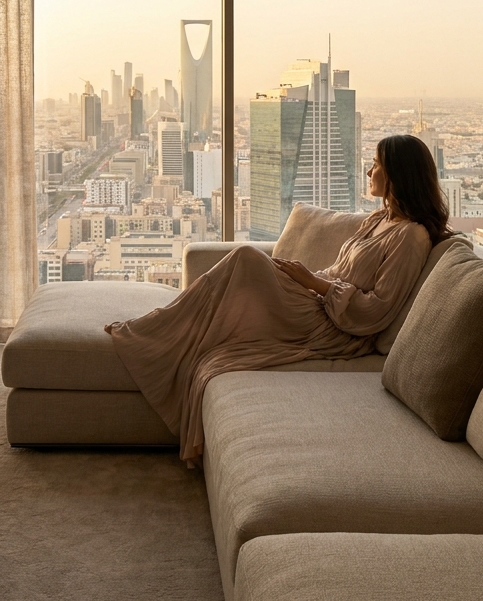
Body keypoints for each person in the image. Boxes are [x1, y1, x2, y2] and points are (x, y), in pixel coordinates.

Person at [105, 134, 449, 463]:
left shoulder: (411, 237)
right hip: (319, 302)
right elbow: (340, 271)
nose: (369, 172)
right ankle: (165, 332)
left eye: (375, 165)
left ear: (398, 175)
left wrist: (313, 283)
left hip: (338, 328)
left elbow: (377, 311)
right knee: (245, 268)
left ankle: (155, 333)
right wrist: (304, 279)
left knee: (245, 259)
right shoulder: (380, 219)